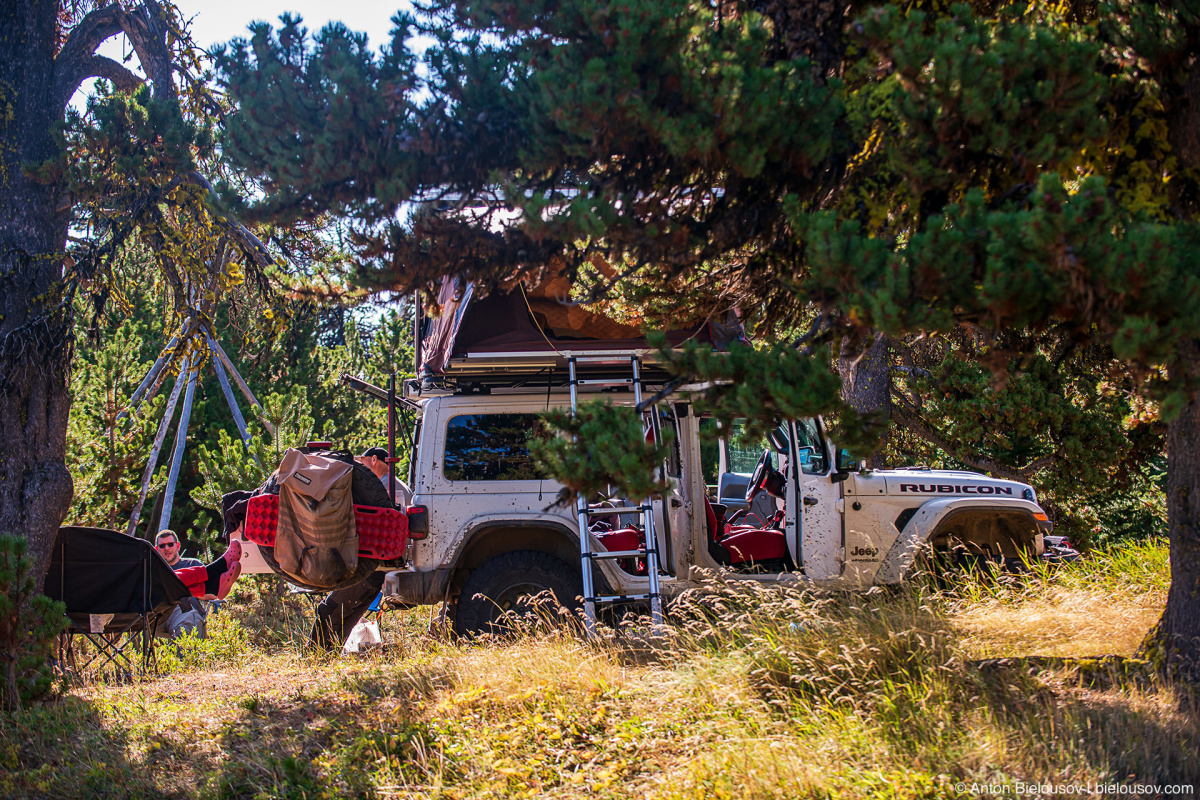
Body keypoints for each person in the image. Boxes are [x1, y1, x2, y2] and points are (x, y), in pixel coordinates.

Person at [154, 529, 206, 639]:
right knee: (137, 625)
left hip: (183, 611)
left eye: (170, 544)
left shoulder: (193, 565)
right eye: (162, 546)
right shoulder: (152, 570)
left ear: (177, 545)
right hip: (158, 615)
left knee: (187, 623)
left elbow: (209, 593)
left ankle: (187, 656)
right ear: (156, 549)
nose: (166, 548)